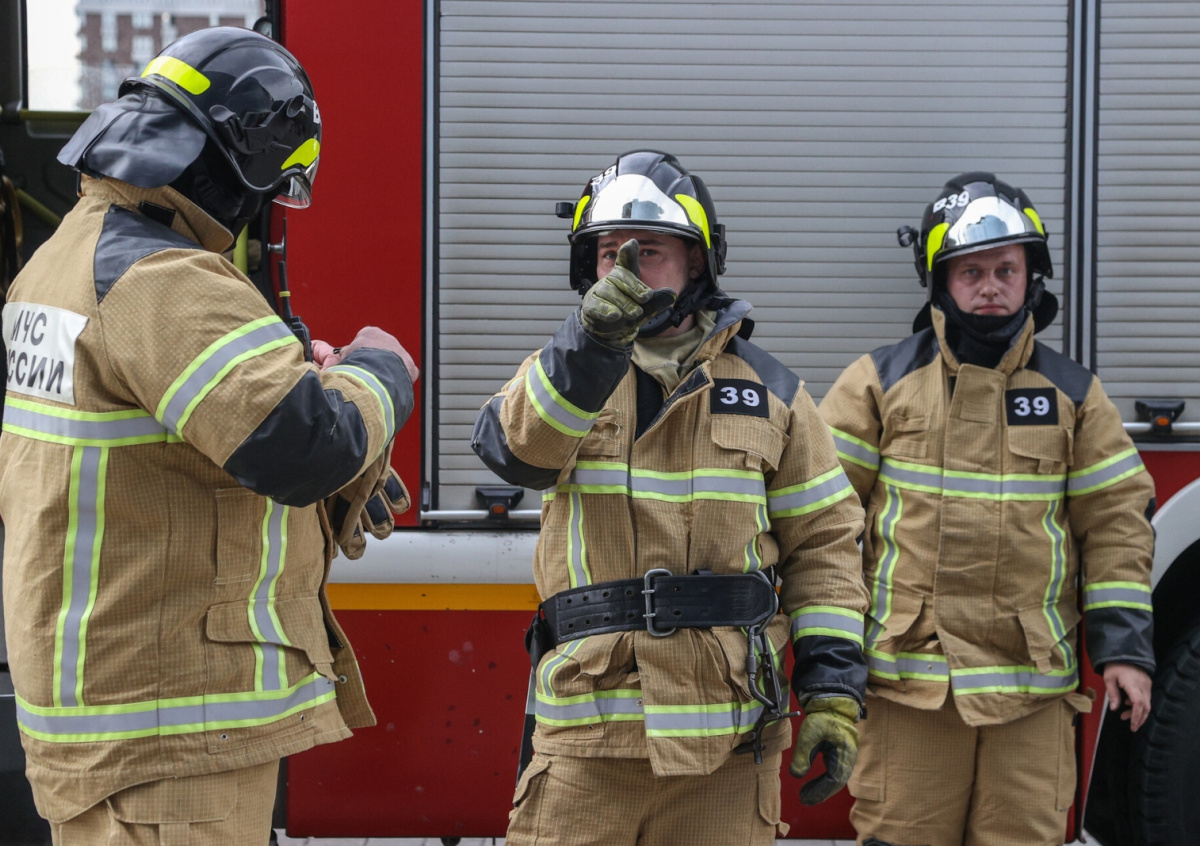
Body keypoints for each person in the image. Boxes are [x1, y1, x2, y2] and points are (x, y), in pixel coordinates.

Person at [0, 27, 417, 844]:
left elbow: (157, 438)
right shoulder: (163, 277)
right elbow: (306, 446)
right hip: (170, 734)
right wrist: (380, 371)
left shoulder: (63, 261)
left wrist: (292, 381)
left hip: (111, 721)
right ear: (244, 164)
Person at [472, 149, 870, 845]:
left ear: (697, 262)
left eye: (648, 251)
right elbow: (514, 454)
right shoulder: (564, 374)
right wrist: (588, 348)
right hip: (587, 746)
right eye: (608, 253)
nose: (624, 268)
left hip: (729, 748)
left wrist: (833, 690)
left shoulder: (773, 394)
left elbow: (826, 549)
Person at [819, 172, 1156, 846]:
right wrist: (823, 658)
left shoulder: (1074, 396)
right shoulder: (878, 384)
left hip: (1030, 694)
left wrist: (1124, 649)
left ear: (1032, 276)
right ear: (941, 281)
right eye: (971, 272)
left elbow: (1116, 524)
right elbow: (819, 523)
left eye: (1006, 269)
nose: (991, 286)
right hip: (912, 687)